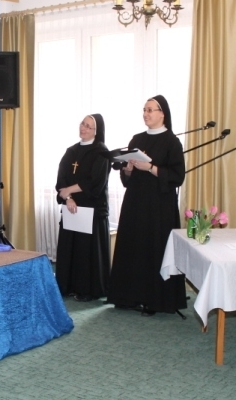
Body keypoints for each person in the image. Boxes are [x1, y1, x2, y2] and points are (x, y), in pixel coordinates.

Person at [107, 95, 186, 315]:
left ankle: (155, 300)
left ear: (163, 114)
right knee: (133, 248)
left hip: (159, 206)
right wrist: (128, 170)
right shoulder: (137, 139)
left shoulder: (171, 141)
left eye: (150, 110)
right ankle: (129, 297)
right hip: (135, 202)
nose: (146, 114)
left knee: (154, 249)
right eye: (144, 109)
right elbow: (127, 178)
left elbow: (177, 176)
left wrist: (150, 167)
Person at [55, 114, 111, 302]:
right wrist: (68, 198)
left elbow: (95, 181)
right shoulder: (71, 151)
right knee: (70, 248)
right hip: (71, 207)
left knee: (87, 252)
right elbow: (61, 178)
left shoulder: (102, 152)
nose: (83, 128)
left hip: (92, 209)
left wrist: (69, 190)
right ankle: (68, 286)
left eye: (88, 126)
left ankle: (88, 290)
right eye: (82, 124)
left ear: (96, 131)